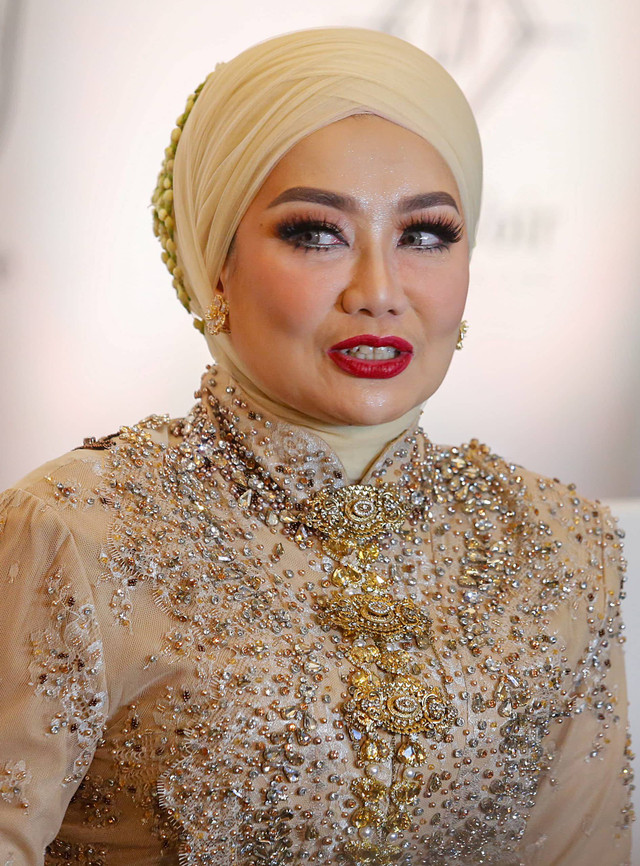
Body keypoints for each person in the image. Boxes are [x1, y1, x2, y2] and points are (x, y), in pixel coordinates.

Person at [0, 26, 633, 866]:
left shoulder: (559, 541)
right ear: (213, 264)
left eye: (427, 235)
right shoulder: (77, 530)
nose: (378, 292)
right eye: (314, 233)